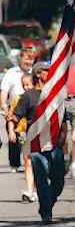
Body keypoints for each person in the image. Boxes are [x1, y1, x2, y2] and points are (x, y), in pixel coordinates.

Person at [10, 62, 67, 224]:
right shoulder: (29, 96)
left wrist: (63, 141)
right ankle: (46, 213)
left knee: (58, 182)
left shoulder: (56, 94)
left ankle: (47, 204)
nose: (50, 73)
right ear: (38, 74)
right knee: (41, 179)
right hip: (35, 146)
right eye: (46, 71)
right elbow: (16, 116)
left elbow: (64, 121)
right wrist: (10, 128)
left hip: (55, 145)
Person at [1, 50, 34, 172]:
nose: (28, 62)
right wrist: (4, 107)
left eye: (30, 59)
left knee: (29, 136)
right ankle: (15, 164)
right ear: (20, 58)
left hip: (31, 109)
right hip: (14, 108)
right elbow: (4, 91)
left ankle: (30, 161)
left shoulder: (35, 72)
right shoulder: (11, 73)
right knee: (13, 136)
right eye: (26, 58)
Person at [9, 74, 37, 202]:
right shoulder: (19, 99)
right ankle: (30, 190)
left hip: (36, 133)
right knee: (27, 162)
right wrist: (11, 131)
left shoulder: (38, 97)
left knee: (38, 163)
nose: (26, 87)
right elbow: (11, 116)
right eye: (23, 85)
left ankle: (38, 189)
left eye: (28, 85)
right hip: (23, 133)